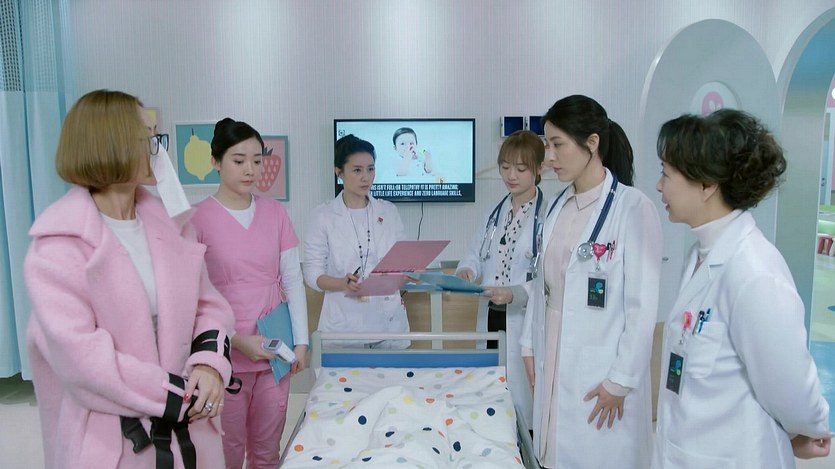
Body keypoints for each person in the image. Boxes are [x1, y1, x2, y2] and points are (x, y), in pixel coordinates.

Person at [24, 89, 235, 469]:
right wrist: (176, 395)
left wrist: (208, 366)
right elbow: (82, 361)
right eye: (149, 139)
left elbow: (209, 306)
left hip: (189, 432)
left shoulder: (175, 228)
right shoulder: (57, 248)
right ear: (111, 144)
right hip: (114, 442)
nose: (159, 151)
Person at [652, 109, 831, 468]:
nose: (659, 186)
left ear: (707, 185)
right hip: (687, 449)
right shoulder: (701, 255)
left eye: (666, 173)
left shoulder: (754, 273)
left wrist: (806, 429)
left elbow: (792, 388)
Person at [514, 95, 662, 468]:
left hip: (603, 365)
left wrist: (620, 380)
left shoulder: (633, 208)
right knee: (554, 451)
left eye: (558, 145)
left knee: (597, 454)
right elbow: (541, 284)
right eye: (547, 145)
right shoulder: (557, 206)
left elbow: (642, 307)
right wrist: (529, 344)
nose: (549, 157)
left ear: (592, 143)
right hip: (551, 347)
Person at [190, 118, 309, 468]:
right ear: (216, 162)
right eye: (239, 160)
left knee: (266, 448)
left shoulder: (275, 213)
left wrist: (301, 343)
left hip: (275, 351)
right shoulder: (196, 219)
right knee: (225, 450)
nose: (250, 170)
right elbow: (190, 297)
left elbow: (293, 280)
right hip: (222, 354)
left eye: (257, 161)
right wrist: (236, 340)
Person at [455, 129, 543, 430]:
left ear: (539, 169)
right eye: (505, 167)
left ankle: (526, 444)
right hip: (491, 312)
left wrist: (515, 292)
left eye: (521, 168)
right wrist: (467, 271)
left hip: (524, 317)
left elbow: (550, 278)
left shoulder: (548, 216)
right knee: (491, 390)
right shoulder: (495, 212)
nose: (511, 175)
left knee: (524, 396)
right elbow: (474, 253)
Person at [303, 134, 409, 348]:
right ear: (339, 171)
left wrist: (409, 273)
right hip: (344, 327)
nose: (366, 177)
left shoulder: (388, 212)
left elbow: (402, 261)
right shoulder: (323, 216)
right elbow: (312, 274)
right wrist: (341, 283)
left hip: (389, 326)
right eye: (357, 170)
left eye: (370, 169)